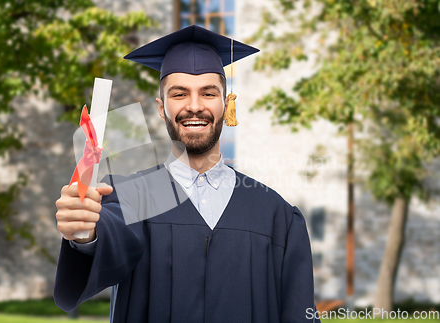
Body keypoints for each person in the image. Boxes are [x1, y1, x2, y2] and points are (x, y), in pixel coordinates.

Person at [54, 25, 319, 322]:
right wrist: (85, 231)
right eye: (179, 94)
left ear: (225, 103)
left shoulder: (276, 216)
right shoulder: (132, 195)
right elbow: (110, 232)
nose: (194, 106)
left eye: (208, 93)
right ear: (160, 107)